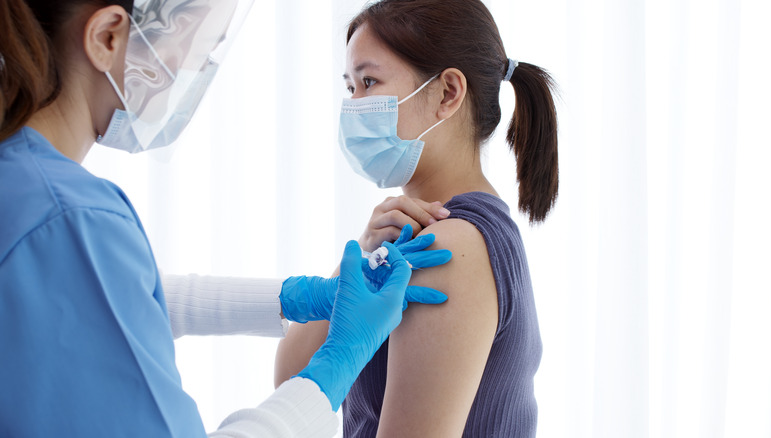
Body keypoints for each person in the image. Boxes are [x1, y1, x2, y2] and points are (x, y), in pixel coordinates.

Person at [0, 0, 454, 437]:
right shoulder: (69, 220)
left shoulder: (27, 192)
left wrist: (293, 296)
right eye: (197, 47)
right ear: (106, 36)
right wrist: (332, 372)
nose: (193, 72)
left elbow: (110, 298)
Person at [275, 0, 559, 436]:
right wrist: (361, 258)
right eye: (350, 87)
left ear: (448, 92)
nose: (354, 105)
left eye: (369, 81)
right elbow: (290, 383)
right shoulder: (417, 237)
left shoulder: (449, 247)